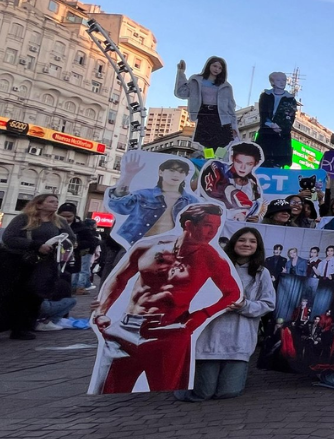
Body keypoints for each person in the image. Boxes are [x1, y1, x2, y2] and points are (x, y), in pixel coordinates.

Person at [89, 204, 241, 393]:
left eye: (217, 227)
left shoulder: (211, 257)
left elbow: (233, 293)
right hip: (127, 328)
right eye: (207, 225)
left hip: (170, 330)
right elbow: (119, 279)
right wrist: (101, 313)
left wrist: (202, 315)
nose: (213, 232)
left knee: (167, 392)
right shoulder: (149, 246)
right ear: (188, 224)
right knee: (109, 390)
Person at [175, 227, 276, 402]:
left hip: (239, 340)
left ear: (258, 246)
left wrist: (244, 305)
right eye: (242, 240)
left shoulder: (261, 273)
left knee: (227, 392)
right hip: (209, 339)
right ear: (234, 242)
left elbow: (268, 304)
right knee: (203, 393)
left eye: (252, 241)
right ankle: (180, 385)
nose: (247, 244)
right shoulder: (213, 266)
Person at [1, 194, 76, 338]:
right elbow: (9, 238)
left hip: (44, 263)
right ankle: (11, 325)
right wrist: (35, 245)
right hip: (18, 261)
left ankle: (23, 327)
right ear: (40, 204)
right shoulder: (23, 218)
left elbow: (71, 238)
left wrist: (58, 245)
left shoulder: (59, 221)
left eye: (56, 201)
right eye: (51, 201)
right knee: (13, 294)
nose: (55, 204)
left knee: (35, 294)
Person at [107, 155, 198, 245]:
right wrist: (128, 176)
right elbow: (118, 206)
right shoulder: (144, 195)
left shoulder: (191, 202)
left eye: (181, 172)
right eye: (171, 170)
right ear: (161, 172)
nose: (176, 175)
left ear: (186, 175)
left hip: (166, 249)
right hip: (131, 244)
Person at [174, 56, 236, 150]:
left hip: (221, 117)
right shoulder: (196, 80)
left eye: (220, 68)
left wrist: (234, 126)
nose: (217, 69)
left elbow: (231, 107)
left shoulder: (226, 86)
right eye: (215, 66)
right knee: (206, 144)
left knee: (223, 144)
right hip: (204, 113)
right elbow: (181, 93)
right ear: (209, 65)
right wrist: (181, 73)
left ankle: (218, 161)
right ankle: (208, 162)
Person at [199, 142, 264, 222]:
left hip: (236, 228)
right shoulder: (218, 170)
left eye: (249, 164)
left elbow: (252, 210)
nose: (242, 167)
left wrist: (251, 217)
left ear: (255, 164)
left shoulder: (254, 185)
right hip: (209, 222)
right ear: (232, 158)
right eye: (239, 162)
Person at [254, 72, 297, 168]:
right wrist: (270, 124)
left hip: (281, 136)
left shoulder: (290, 99)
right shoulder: (265, 95)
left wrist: (281, 127)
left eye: (284, 80)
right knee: (261, 159)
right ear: (272, 82)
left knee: (277, 163)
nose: (282, 83)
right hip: (266, 133)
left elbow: (290, 118)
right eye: (278, 80)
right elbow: (263, 113)